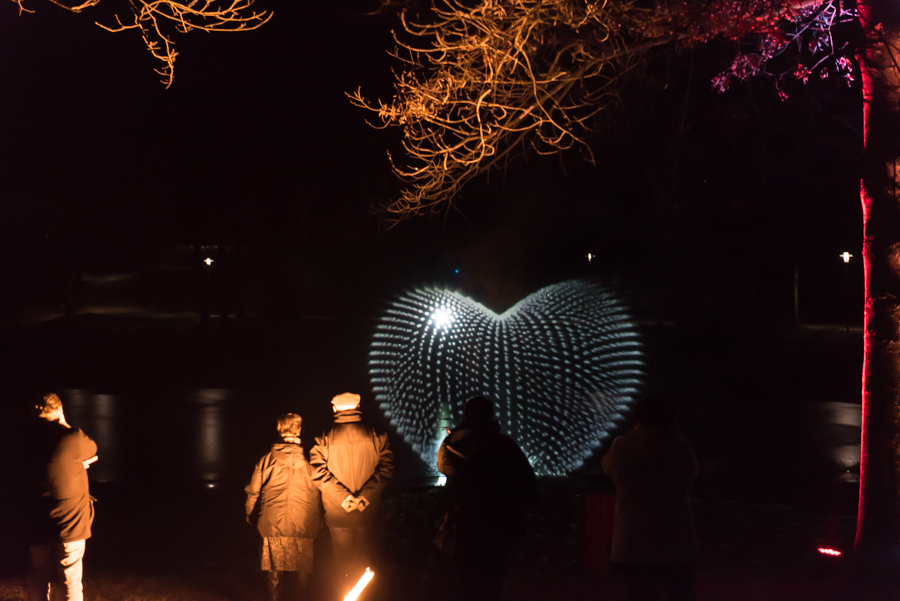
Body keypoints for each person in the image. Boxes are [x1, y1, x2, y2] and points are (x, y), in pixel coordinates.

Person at [436, 396, 538, 601]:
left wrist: (455, 435)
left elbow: (443, 467)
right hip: (500, 522)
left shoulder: (455, 444)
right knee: (492, 577)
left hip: (467, 520)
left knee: (467, 577)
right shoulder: (505, 445)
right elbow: (527, 480)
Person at [601, 392, 699, 601]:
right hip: (676, 539)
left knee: (640, 594)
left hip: (633, 541)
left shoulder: (621, 447)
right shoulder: (680, 447)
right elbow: (690, 476)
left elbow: (607, 467)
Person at [310, 393, 394, 593]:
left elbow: (317, 472)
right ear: (358, 407)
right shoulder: (377, 434)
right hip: (367, 512)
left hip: (338, 515)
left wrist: (344, 498)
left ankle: (347, 596)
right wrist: (364, 496)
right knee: (366, 562)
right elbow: (387, 469)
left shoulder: (323, 437)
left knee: (342, 565)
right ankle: (368, 596)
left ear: (335, 409)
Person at [25, 393, 98, 601]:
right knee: (70, 577)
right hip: (70, 520)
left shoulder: (24, 441)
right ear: (59, 411)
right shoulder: (71, 436)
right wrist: (64, 423)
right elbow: (92, 448)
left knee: (38, 575)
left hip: (37, 519)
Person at [245, 413, 323, 601]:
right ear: (299, 430)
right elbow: (322, 491)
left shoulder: (267, 460)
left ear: (279, 430)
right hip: (303, 523)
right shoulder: (310, 461)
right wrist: (322, 520)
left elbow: (253, 491)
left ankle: (275, 599)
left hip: (274, 523)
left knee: (274, 568)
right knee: (302, 570)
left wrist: (249, 513)